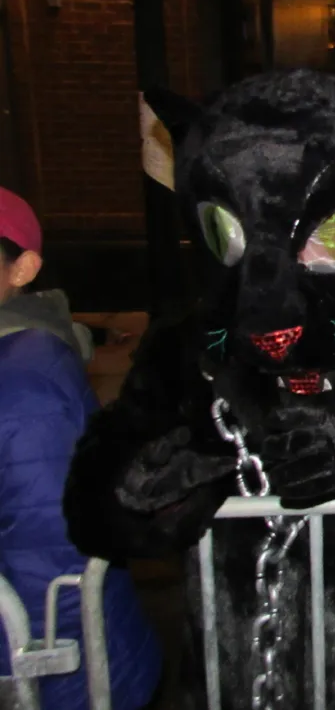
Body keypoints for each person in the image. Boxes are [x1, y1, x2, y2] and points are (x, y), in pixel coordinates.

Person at [0, 187, 163, 710]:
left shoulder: (22, 385)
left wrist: (37, 682)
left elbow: (55, 564)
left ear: (23, 269)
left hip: (54, 678)